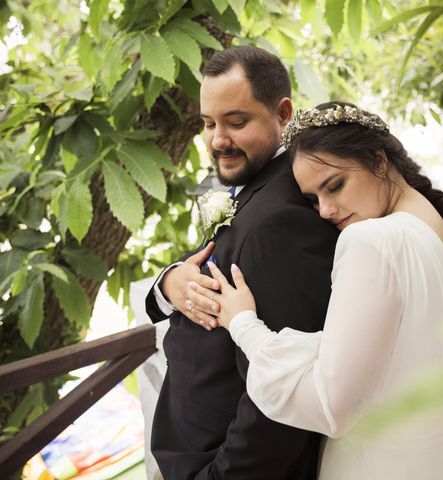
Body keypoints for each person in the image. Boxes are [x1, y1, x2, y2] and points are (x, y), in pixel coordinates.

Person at [204, 102, 443, 479]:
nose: (326, 210)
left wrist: (245, 327)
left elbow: (330, 406)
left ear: (379, 161)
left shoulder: (370, 240)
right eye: (313, 199)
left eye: (335, 186)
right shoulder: (436, 223)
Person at [144, 47, 339, 479]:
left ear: (282, 113)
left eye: (236, 122)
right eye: (209, 124)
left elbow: (283, 389)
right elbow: (226, 254)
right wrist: (172, 279)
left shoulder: (285, 218)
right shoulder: (257, 185)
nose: (217, 140)